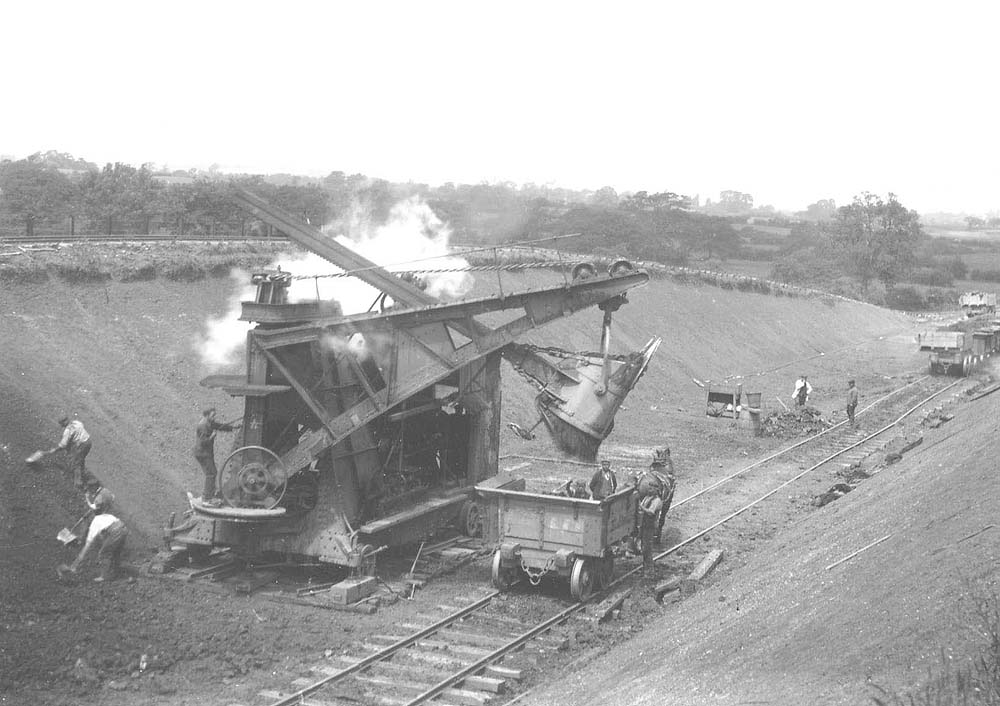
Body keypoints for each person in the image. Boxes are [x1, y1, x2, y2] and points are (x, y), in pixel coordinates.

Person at [57, 502, 128, 582]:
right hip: (123, 528)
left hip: (115, 532)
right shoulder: (105, 515)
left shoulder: (94, 524)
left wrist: (76, 564)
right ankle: (116, 571)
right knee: (115, 552)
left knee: (103, 554)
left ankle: (105, 576)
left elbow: (87, 546)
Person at [194, 408, 241, 503]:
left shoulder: (209, 423)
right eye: (213, 415)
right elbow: (203, 442)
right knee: (211, 474)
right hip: (203, 453)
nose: (214, 417)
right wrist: (212, 437)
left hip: (206, 453)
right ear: (207, 415)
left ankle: (210, 494)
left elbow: (219, 426)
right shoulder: (203, 425)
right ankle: (207, 497)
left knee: (212, 472)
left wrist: (233, 427)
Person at [48, 416, 93, 489]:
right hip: (88, 442)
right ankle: (84, 477)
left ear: (64, 422)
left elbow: (63, 445)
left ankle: (78, 483)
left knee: (76, 462)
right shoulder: (76, 422)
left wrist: (55, 450)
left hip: (82, 445)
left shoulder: (68, 431)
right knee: (80, 460)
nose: (61, 425)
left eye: (61, 423)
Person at [638, 490, 663, 577]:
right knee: (644, 548)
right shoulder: (647, 497)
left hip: (650, 526)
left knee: (647, 549)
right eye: (650, 487)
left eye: (652, 488)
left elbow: (651, 512)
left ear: (656, 490)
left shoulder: (657, 500)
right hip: (644, 525)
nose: (650, 489)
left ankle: (650, 572)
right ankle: (646, 569)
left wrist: (641, 507)